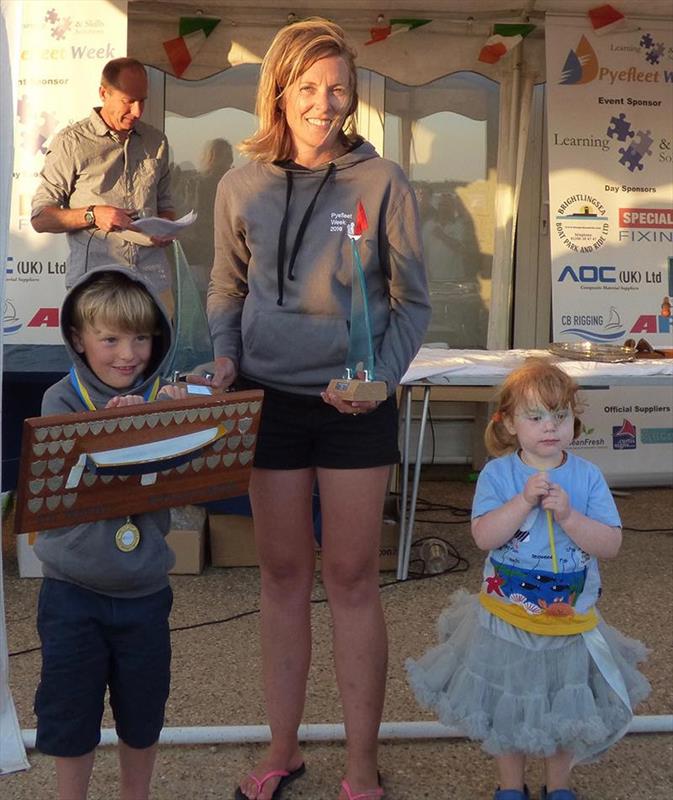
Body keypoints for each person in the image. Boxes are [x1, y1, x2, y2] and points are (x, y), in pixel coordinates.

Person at [207, 18, 430, 800]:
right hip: (266, 404)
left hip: (350, 410)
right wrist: (225, 352)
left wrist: (382, 380)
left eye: (336, 87)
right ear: (279, 90)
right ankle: (281, 749)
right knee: (279, 575)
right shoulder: (240, 184)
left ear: (351, 95)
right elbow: (225, 286)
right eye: (306, 86)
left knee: (351, 578)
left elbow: (412, 305)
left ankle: (361, 766)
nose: (323, 102)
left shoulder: (382, 182)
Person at [406, 358, 651, 800]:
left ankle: (558, 786)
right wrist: (521, 503)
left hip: (570, 620)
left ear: (573, 419)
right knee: (508, 704)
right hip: (507, 619)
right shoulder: (498, 475)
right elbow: (484, 536)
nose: (549, 427)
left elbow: (610, 545)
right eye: (535, 416)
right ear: (508, 423)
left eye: (559, 416)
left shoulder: (588, 477)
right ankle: (510, 786)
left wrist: (570, 516)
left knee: (562, 703)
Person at [33, 266, 187, 800]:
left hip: (145, 592)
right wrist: (122, 433)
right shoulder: (61, 400)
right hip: (72, 592)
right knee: (70, 713)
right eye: (111, 339)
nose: (129, 354)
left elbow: (185, 484)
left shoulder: (169, 403)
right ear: (78, 339)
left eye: (142, 338)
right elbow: (67, 481)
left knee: (143, 713)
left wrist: (156, 424)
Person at [31, 57, 176, 293]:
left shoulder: (156, 141)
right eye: (128, 101)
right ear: (103, 93)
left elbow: (165, 203)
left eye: (142, 101)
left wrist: (167, 227)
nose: (137, 111)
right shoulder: (71, 142)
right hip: (96, 287)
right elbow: (40, 218)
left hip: (152, 283)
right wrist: (93, 215)